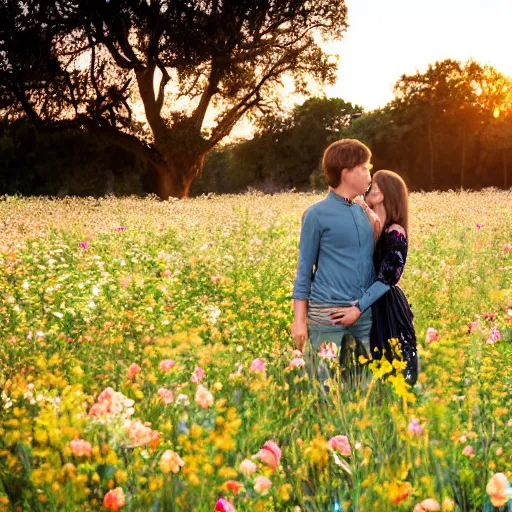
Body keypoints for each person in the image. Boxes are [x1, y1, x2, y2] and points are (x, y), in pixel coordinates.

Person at [291, 139, 381, 388]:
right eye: (364, 167)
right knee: (326, 389)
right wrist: (299, 320)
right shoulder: (315, 215)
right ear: (346, 171)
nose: (369, 174)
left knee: (364, 389)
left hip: (363, 313)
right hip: (327, 316)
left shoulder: (364, 212)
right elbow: (304, 271)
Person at [330, 170, 418, 385]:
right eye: (373, 183)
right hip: (358, 296)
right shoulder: (368, 226)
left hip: (383, 305)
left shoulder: (396, 232)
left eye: (381, 184)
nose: (374, 187)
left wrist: (357, 309)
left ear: (393, 193)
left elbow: (388, 279)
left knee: (389, 369)